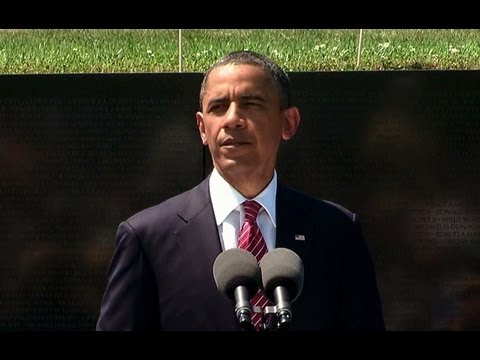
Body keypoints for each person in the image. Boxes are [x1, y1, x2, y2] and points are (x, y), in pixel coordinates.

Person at [96, 50, 385, 331]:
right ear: (202, 128)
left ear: (288, 122)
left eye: (251, 104)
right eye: (218, 107)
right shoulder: (147, 238)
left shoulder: (336, 231)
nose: (232, 119)